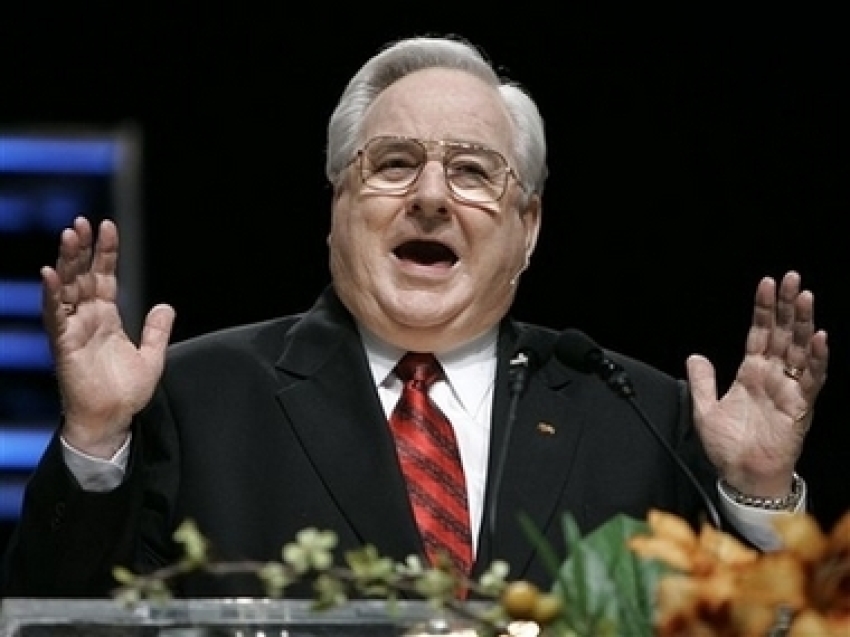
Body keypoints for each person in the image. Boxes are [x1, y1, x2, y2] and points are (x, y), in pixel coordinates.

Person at [0, 34, 829, 601]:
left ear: (528, 227)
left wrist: (756, 497)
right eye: (394, 164)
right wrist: (95, 438)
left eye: (472, 172)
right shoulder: (199, 398)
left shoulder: (635, 418)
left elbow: (762, 621)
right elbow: (56, 613)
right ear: (338, 203)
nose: (431, 196)